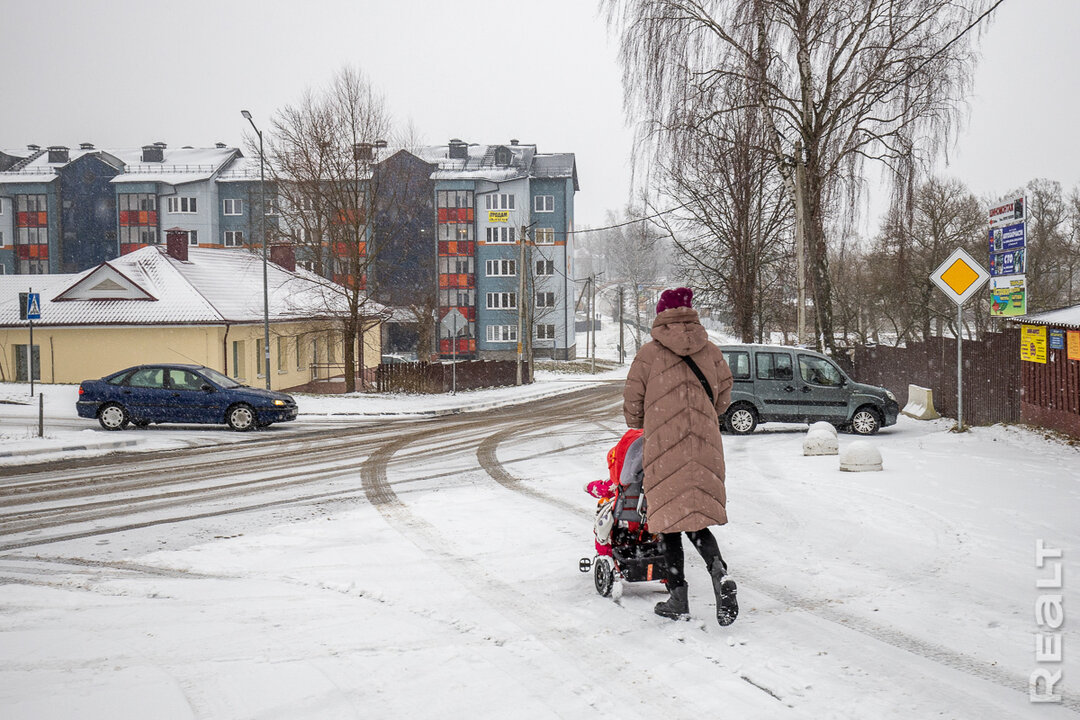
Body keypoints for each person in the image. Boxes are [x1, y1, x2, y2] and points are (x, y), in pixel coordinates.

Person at [622, 287, 738, 625]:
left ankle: (678, 596)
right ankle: (719, 574)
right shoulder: (711, 350)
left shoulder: (648, 354)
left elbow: (633, 409)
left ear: (661, 315)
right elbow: (724, 395)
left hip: (664, 448)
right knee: (697, 519)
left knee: (669, 523)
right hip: (704, 447)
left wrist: (654, 418)